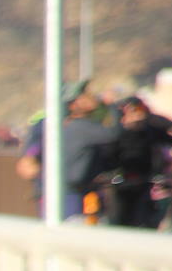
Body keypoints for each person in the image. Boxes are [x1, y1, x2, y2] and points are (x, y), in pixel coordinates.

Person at [15, 80, 115, 220]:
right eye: (83, 94)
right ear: (72, 103)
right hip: (63, 194)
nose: (91, 96)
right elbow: (29, 159)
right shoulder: (49, 124)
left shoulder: (92, 121)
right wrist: (30, 158)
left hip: (90, 191)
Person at [107, 96, 172, 229]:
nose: (136, 115)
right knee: (120, 220)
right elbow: (108, 153)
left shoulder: (150, 130)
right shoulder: (116, 132)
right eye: (131, 111)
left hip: (145, 181)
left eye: (137, 110)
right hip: (119, 182)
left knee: (144, 219)